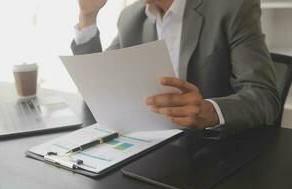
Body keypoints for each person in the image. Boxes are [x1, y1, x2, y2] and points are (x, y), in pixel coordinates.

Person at [71, 0, 280, 139]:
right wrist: (87, 16)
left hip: (213, 152)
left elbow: (265, 97)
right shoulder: (131, 17)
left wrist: (210, 111)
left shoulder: (232, 7)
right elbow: (98, 81)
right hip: (150, 147)